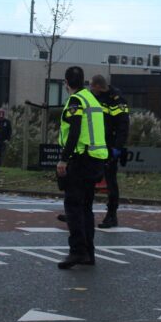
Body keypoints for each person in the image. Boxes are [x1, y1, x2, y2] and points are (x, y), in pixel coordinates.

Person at [55, 66, 109, 269]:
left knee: (73, 206)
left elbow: (75, 131)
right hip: (96, 159)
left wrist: (63, 159)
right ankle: (88, 253)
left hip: (81, 159)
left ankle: (77, 251)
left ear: (66, 83)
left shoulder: (76, 101)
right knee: (86, 207)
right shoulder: (92, 99)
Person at [90, 74, 130, 229]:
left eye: (92, 86)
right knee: (87, 179)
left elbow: (123, 125)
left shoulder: (117, 100)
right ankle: (80, 211)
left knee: (111, 182)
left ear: (99, 86)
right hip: (96, 144)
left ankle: (112, 215)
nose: (91, 89)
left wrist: (117, 148)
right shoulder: (96, 98)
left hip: (110, 146)